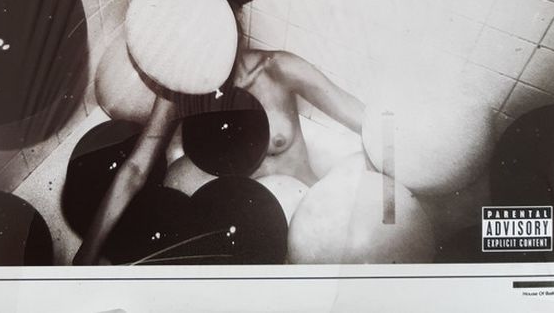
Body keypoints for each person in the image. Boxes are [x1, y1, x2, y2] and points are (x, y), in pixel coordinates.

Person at [73, 48, 365, 265]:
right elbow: (137, 167)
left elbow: (373, 125)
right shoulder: (182, 89)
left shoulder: (277, 70)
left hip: (311, 230)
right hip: (248, 240)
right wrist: (87, 253)